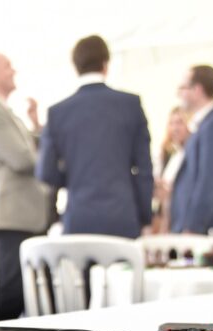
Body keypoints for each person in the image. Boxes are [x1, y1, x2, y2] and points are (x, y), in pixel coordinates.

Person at [36, 35, 153, 239]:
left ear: (75, 67)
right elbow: (144, 169)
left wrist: (75, 177)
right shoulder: (130, 105)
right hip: (123, 215)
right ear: (106, 64)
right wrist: (144, 216)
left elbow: (46, 173)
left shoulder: (57, 113)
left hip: (79, 216)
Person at [0, 52, 50, 321]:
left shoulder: (5, 113)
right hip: (10, 218)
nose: (13, 70)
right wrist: (47, 159)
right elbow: (22, 159)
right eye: (7, 66)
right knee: (10, 294)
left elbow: (29, 149)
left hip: (21, 217)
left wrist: (36, 124)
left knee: (20, 293)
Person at [170, 65, 213, 238]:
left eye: (183, 88)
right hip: (199, 230)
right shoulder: (203, 127)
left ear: (197, 89)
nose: (179, 94)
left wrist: (192, 227)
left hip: (209, 232)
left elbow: (211, 181)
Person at [152, 107, 191, 233]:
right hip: (164, 217)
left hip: (182, 217)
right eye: (171, 123)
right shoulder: (165, 153)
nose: (175, 128)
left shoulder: (191, 155)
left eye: (180, 122)